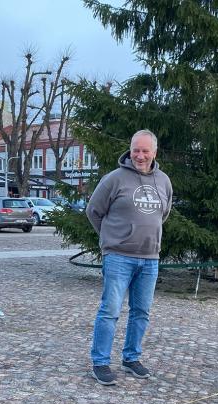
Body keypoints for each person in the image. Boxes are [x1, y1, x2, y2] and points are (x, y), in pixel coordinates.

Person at [85, 129, 173, 385]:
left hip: (150, 258)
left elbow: (163, 214)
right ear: (130, 150)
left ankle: (131, 357)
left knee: (141, 312)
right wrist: (111, 238)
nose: (140, 155)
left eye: (146, 151)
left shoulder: (164, 181)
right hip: (119, 257)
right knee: (110, 311)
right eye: (136, 150)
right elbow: (93, 211)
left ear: (154, 152)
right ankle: (100, 362)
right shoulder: (114, 179)